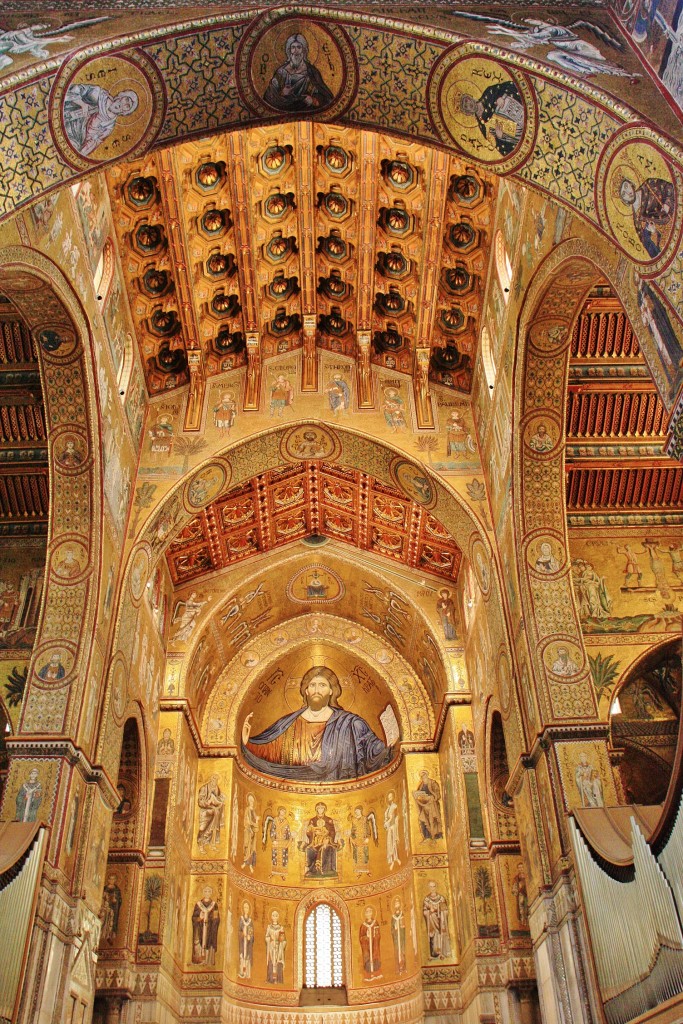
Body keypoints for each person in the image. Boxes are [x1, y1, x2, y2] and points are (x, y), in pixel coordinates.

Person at [241, 666, 393, 781]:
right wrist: (248, 742)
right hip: (295, 791)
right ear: (306, 691)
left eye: (322, 685)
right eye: (312, 685)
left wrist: (391, 746)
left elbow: (374, 753)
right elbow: (270, 750)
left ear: (331, 691)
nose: (316, 690)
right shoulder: (288, 723)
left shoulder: (351, 724)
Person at [263, 33, 334, 113]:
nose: (295, 51)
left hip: (307, 111)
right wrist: (282, 93)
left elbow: (326, 96)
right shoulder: (281, 72)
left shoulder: (312, 72)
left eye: (299, 47)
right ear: (289, 51)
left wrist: (313, 100)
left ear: (304, 50)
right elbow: (269, 96)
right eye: (293, 47)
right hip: (284, 111)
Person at [63, 83, 139, 158]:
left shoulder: (109, 126)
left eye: (127, 106)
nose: (122, 104)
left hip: (76, 136)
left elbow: (94, 143)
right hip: (67, 113)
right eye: (126, 99)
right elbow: (76, 89)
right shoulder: (101, 96)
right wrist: (82, 104)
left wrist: (79, 155)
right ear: (120, 96)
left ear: (125, 112)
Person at [459, 81, 525, 156]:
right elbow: (499, 146)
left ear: (471, 97)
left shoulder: (489, 93)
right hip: (520, 135)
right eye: (466, 106)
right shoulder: (483, 127)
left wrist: (502, 96)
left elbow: (510, 85)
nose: (469, 105)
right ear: (468, 113)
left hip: (523, 114)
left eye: (467, 101)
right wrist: (500, 137)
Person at [618, 176, 675, 258]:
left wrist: (667, 203)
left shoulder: (648, 185)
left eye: (626, 186)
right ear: (625, 201)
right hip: (671, 241)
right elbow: (650, 247)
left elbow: (669, 187)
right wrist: (653, 232)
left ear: (631, 184)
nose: (627, 192)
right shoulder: (637, 220)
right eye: (624, 194)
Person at [302, 802, 340, 877]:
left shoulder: (329, 820)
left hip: (327, 841)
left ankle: (326, 870)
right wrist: (311, 831)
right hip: (315, 841)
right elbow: (308, 833)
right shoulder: (312, 820)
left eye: (322, 808)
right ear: (316, 809)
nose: (320, 810)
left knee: (325, 848)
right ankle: (312, 870)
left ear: (324, 809)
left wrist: (327, 839)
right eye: (318, 808)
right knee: (309, 849)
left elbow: (332, 832)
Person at [423, 880, 451, 959]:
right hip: (431, 922)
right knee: (434, 935)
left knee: (440, 934)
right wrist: (429, 912)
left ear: (436, 887)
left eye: (434, 886)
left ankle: (442, 953)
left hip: (440, 921)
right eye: (431, 887)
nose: (432, 888)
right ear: (429, 888)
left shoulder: (441, 898)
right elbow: (424, 912)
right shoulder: (426, 900)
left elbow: (445, 910)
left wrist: (440, 911)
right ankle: (434, 953)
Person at [192, 886, 220, 965]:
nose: (207, 893)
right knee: (199, 941)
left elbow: (216, 918)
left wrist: (213, 919)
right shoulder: (198, 905)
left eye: (209, 891)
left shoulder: (214, 905)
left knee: (209, 941)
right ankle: (199, 960)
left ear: (211, 893)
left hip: (210, 929)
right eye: (206, 891)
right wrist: (199, 918)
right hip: (200, 929)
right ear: (203, 893)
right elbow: (194, 918)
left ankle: (208, 961)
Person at [412, 770, 443, 840]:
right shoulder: (421, 785)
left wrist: (432, 797)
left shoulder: (433, 783)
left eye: (424, 776)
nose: (423, 778)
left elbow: (438, 794)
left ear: (427, 775)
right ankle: (427, 836)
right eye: (421, 776)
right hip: (424, 806)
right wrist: (417, 795)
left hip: (433, 805)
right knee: (423, 820)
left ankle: (437, 835)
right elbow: (419, 793)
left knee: (434, 820)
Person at [196, 774, 225, 847]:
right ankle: (199, 843)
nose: (215, 782)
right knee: (202, 828)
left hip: (214, 812)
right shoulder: (204, 788)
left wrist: (220, 801)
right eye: (214, 779)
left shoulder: (217, 789)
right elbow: (200, 802)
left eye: (216, 780)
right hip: (205, 812)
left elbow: (217, 799)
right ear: (211, 780)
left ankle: (205, 844)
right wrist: (207, 803)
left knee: (211, 829)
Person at [359, 906, 382, 981]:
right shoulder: (363, 926)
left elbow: (378, 935)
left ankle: (376, 974)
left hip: (374, 945)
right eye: (367, 912)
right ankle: (368, 975)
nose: (368, 914)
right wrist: (366, 937)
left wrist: (375, 936)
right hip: (367, 947)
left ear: (372, 913)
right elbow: (361, 938)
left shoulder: (375, 923)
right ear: (365, 914)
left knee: (375, 957)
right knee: (367, 958)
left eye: (370, 912)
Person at [99, 875, 122, 945]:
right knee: (103, 920)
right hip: (104, 908)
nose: (111, 881)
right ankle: (100, 934)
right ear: (108, 880)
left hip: (112, 909)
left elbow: (119, 900)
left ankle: (108, 936)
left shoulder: (117, 890)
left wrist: (116, 900)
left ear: (115, 880)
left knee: (110, 922)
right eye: (110, 879)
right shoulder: (104, 888)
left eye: (113, 879)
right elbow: (101, 897)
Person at [265, 910, 286, 984]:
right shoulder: (269, 927)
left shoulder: (281, 928)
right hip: (271, 947)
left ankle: (278, 979)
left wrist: (281, 941)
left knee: (278, 962)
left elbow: (284, 940)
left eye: (276, 915)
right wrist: (270, 939)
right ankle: (271, 979)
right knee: (271, 962)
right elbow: (266, 937)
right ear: (271, 917)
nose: (274, 917)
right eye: (273, 915)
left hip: (278, 948)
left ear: (278, 917)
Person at [241, 793, 259, 872]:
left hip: (253, 831)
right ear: (248, 800)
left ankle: (251, 865)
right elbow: (246, 820)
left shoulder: (253, 811)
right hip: (248, 831)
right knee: (246, 845)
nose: (251, 800)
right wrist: (250, 825)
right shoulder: (247, 809)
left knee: (252, 848)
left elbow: (255, 821)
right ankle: (245, 862)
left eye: (252, 799)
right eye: (250, 799)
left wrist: (256, 821)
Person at [384, 791, 401, 870]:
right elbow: (387, 818)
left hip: (393, 827)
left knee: (394, 843)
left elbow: (396, 816)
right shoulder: (387, 809)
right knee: (389, 844)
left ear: (393, 797)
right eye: (388, 798)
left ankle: (396, 858)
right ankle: (391, 861)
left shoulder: (394, 806)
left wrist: (390, 822)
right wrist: (386, 823)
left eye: (390, 797)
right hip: (389, 829)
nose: (389, 799)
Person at [238, 901, 254, 978]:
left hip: (247, 943)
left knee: (247, 956)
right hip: (242, 942)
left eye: (247, 907)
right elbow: (239, 931)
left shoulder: (250, 921)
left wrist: (249, 937)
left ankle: (247, 974)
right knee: (242, 956)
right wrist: (242, 934)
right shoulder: (241, 919)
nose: (246, 909)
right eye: (244, 907)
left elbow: (251, 932)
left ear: (249, 909)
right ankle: (241, 972)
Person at [390, 898, 406, 973]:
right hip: (396, 936)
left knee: (403, 950)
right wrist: (394, 929)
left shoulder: (402, 914)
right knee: (397, 950)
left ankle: (404, 966)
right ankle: (398, 968)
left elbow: (406, 925)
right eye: (395, 904)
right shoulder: (393, 917)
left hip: (402, 935)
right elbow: (392, 928)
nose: (397, 905)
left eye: (398, 903)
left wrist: (402, 926)